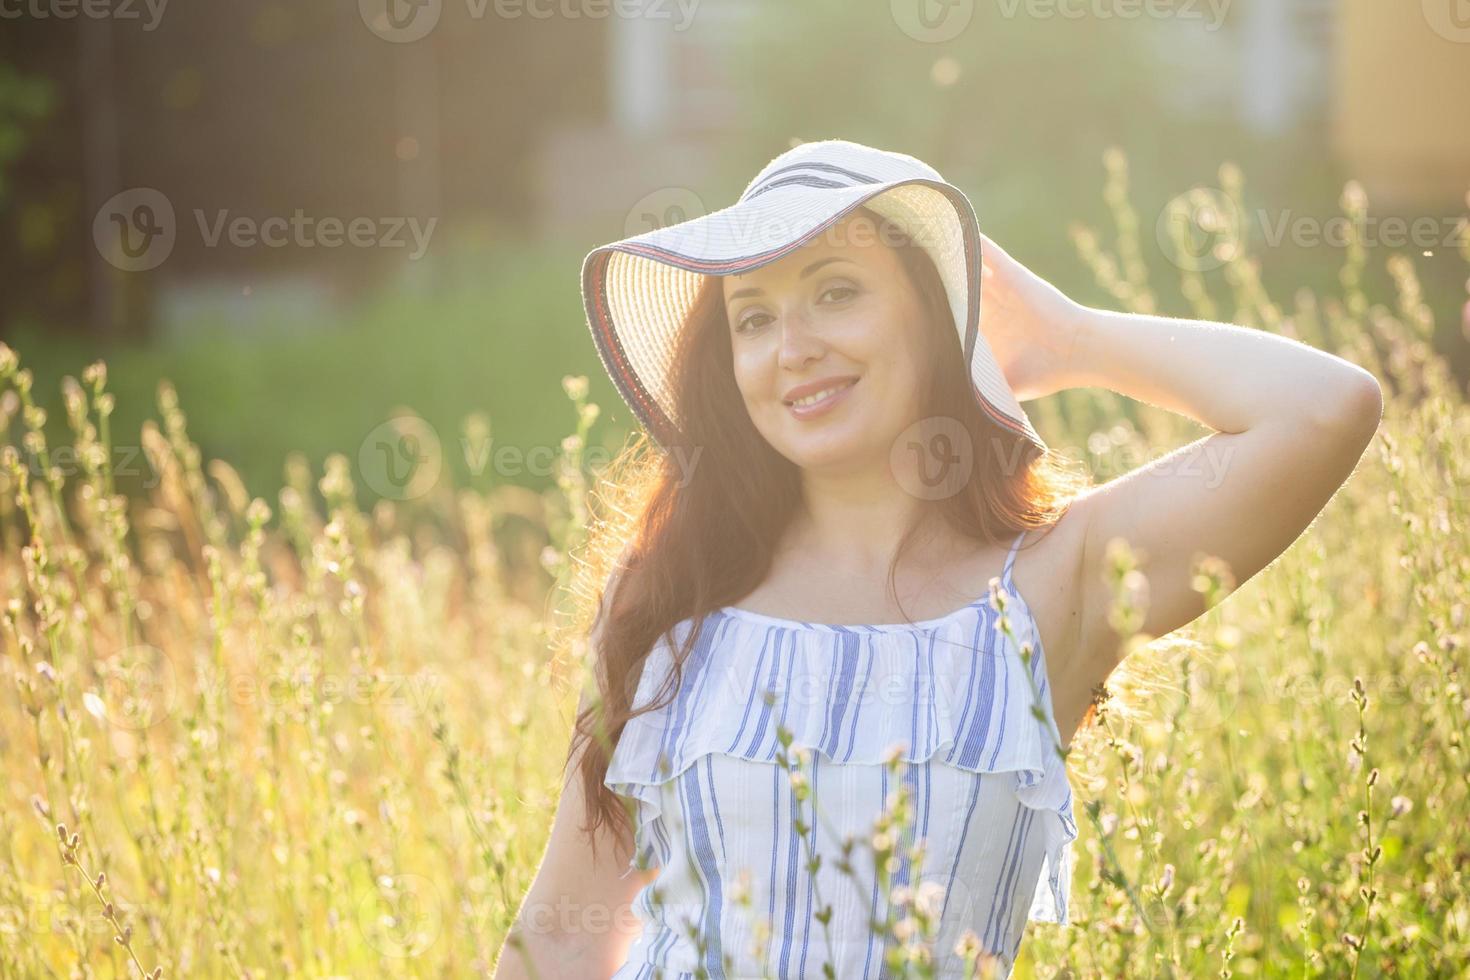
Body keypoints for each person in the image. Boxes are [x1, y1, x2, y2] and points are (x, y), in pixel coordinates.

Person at [492, 140, 1383, 979]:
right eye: (753, 318)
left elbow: (1324, 409)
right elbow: (560, 932)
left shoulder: (1050, 584)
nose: (792, 346)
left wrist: (1073, 340)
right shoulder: (665, 598)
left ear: (933, 320)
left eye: (837, 292)